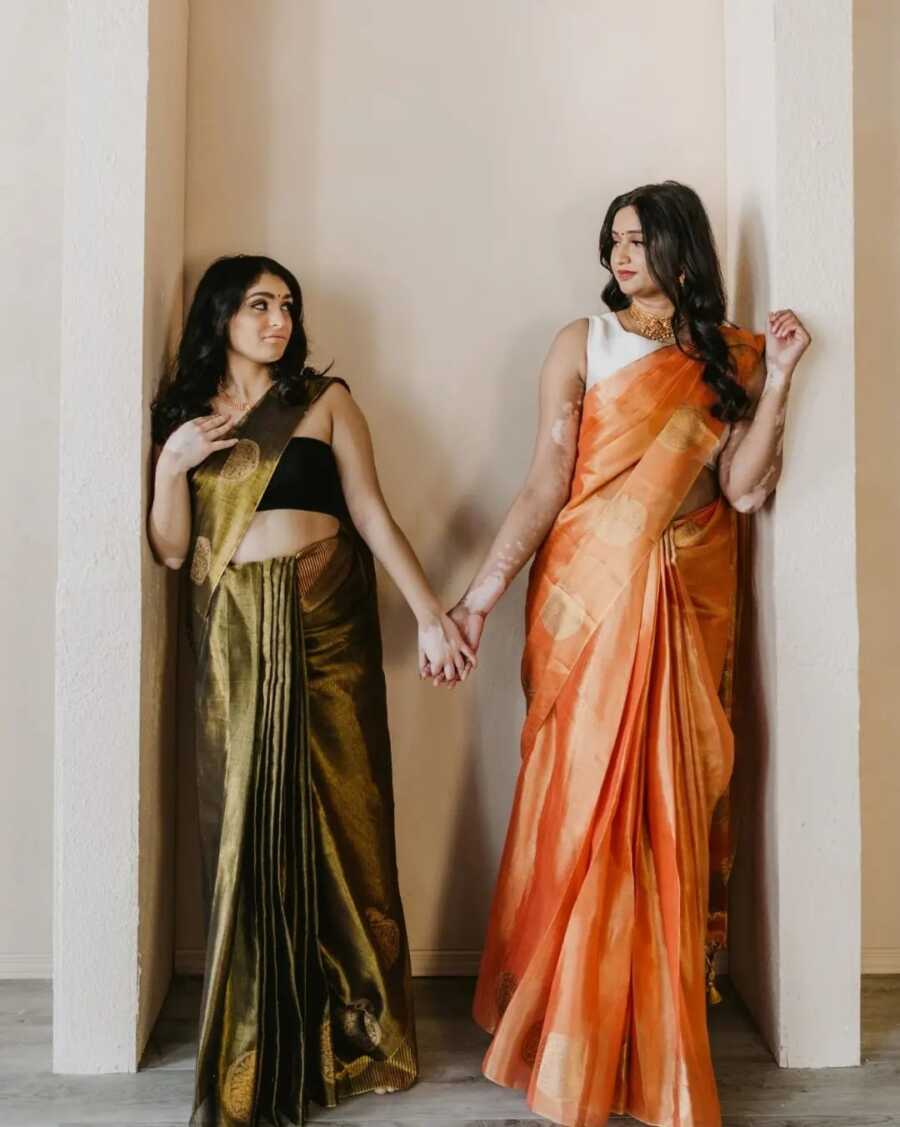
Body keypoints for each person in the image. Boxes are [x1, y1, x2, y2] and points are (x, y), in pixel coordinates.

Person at [445, 182, 810, 1127]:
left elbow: (740, 487)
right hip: (588, 601)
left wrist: (777, 382)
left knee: (668, 808)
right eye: (613, 239)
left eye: (640, 239)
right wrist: (478, 599)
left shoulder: (728, 355)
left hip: (685, 597)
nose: (621, 254)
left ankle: (646, 1030)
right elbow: (543, 483)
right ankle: (566, 1024)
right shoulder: (582, 341)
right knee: (580, 805)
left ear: (682, 246)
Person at [148, 254, 474, 1126]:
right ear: (220, 316)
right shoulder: (186, 420)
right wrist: (169, 466)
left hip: (330, 623)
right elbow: (176, 552)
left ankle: (360, 1030)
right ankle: (260, 1037)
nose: (278, 320)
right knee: (248, 827)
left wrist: (431, 614)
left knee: (349, 816)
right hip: (237, 641)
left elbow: (370, 510)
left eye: (287, 306)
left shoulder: (325, 399)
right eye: (259, 305)